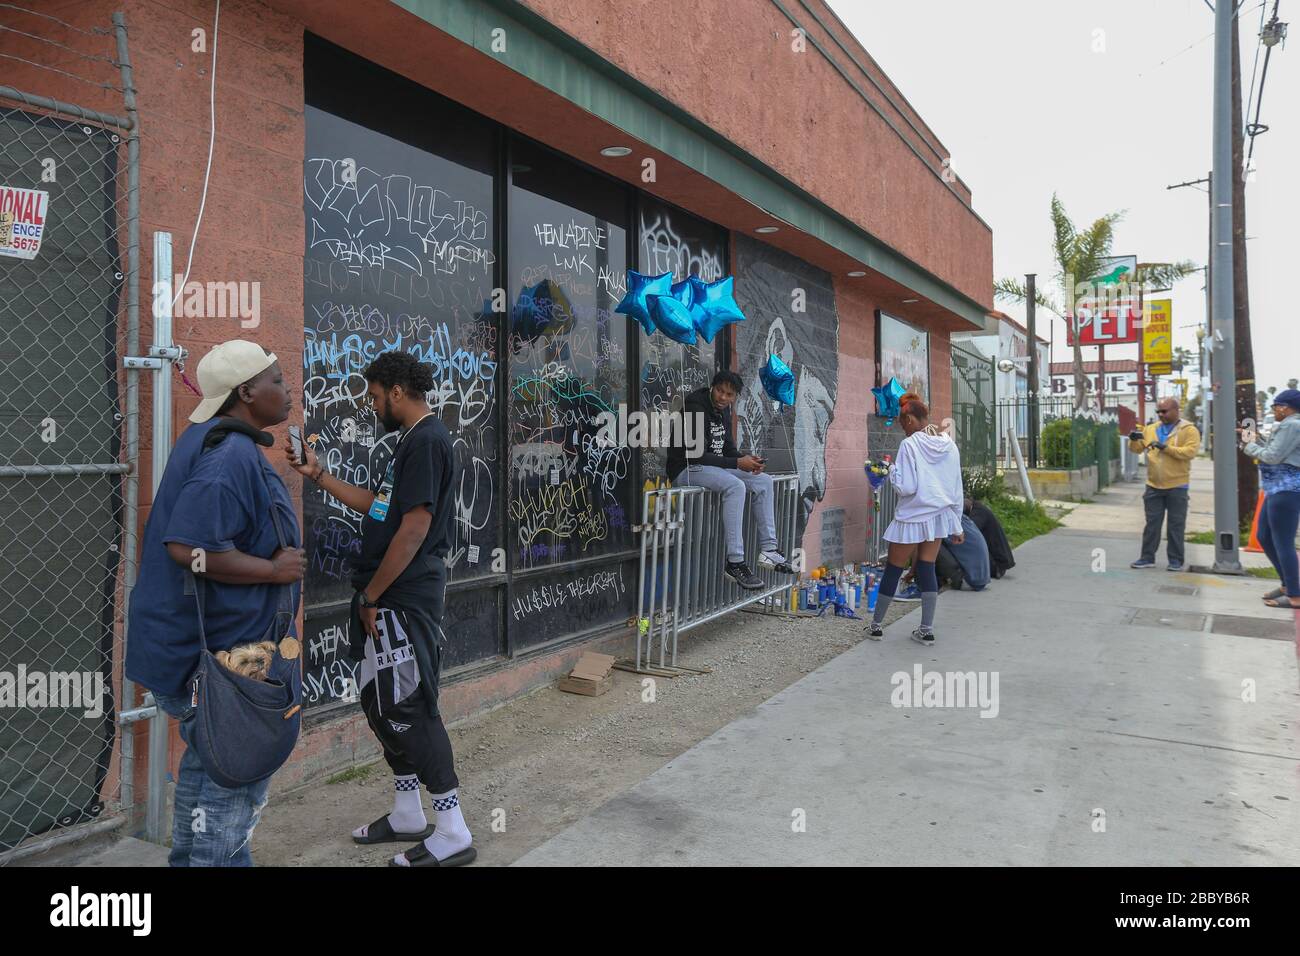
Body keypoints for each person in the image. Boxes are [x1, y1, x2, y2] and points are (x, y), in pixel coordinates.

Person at [125, 340, 305, 867]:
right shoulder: (228, 457)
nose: (287, 388)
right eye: (277, 380)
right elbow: (187, 549)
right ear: (246, 392)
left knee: (209, 774)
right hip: (219, 664)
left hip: (206, 659)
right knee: (236, 789)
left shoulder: (214, 439)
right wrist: (274, 571)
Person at [290, 351, 474, 867]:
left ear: (396, 390)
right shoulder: (408, 444)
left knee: (411, 707)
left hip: (402, 597)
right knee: (380, 701)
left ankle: (453, 827)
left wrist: (372, 595)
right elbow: (379, 506)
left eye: (373, 395)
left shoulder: (428, 441)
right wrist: (319, 475)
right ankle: (408, 811)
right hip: (384, 596)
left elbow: (414, 529)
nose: (371, 405)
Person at [667, 370, 795, 590]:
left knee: (763, 480)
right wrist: (737, 464)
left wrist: (747, 460)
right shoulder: (695, 408)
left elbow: (727, 449)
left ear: (735, 397)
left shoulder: (724, 411)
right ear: (712, 387)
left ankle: (769, 550)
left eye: (729, 394)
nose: (723, 398)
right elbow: (695, 454)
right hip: (686, 468)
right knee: (735, 485)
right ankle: (735, 562)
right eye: (720, 391)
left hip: (710, 467)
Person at [865, 396, 964, 645]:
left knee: (894, 568)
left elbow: (907, 488)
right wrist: (957, 522)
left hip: (912, 516)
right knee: (927, 566)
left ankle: (876, 626)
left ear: (909, 419)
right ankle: (926, 629)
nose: (902, 428)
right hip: (940, 515)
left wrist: (891, 472)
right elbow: (956, 487)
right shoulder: (950, 445)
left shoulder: (910, 445)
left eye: (902, 423)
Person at [1241, 388, 1300, 609]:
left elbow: (1273, 457)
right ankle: (1287, 584)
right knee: (1264, 535)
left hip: (1287, 488)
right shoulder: (1288, 425)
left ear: (1285, 407)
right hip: (1277, 488)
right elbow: (1277, 449)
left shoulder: (1292, 425)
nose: (1274, 411)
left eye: (1275, 407)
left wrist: (1250, 446)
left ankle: (1295, 594)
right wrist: (1258, 439)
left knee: (1283, 541)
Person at [1129, 397, 1200, 571]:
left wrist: (1165, 448)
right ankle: (1147, 558)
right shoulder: (1151, 429)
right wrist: (1133, 439)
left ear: (1176, 410)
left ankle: (1175, 561)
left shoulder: (1189, 430)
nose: (1161, 414)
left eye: (1165, 411)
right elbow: (1137, 449)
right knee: (1152, 524)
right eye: (1159, 411)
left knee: (1175, 525)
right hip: (1153, 485)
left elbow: (1189, 452)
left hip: (1177, 485)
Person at [937, 510, 991, 591]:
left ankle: (927, 586)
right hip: (981, 579)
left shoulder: (948, 522)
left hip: (969, 581)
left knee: (930, 545)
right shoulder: (962, 519)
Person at [965, 497, 1015, 579]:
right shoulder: (979, 508)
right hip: (998, 559)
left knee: (967, 542)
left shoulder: (979, 513)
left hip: (997, 563)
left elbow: (970, 532)